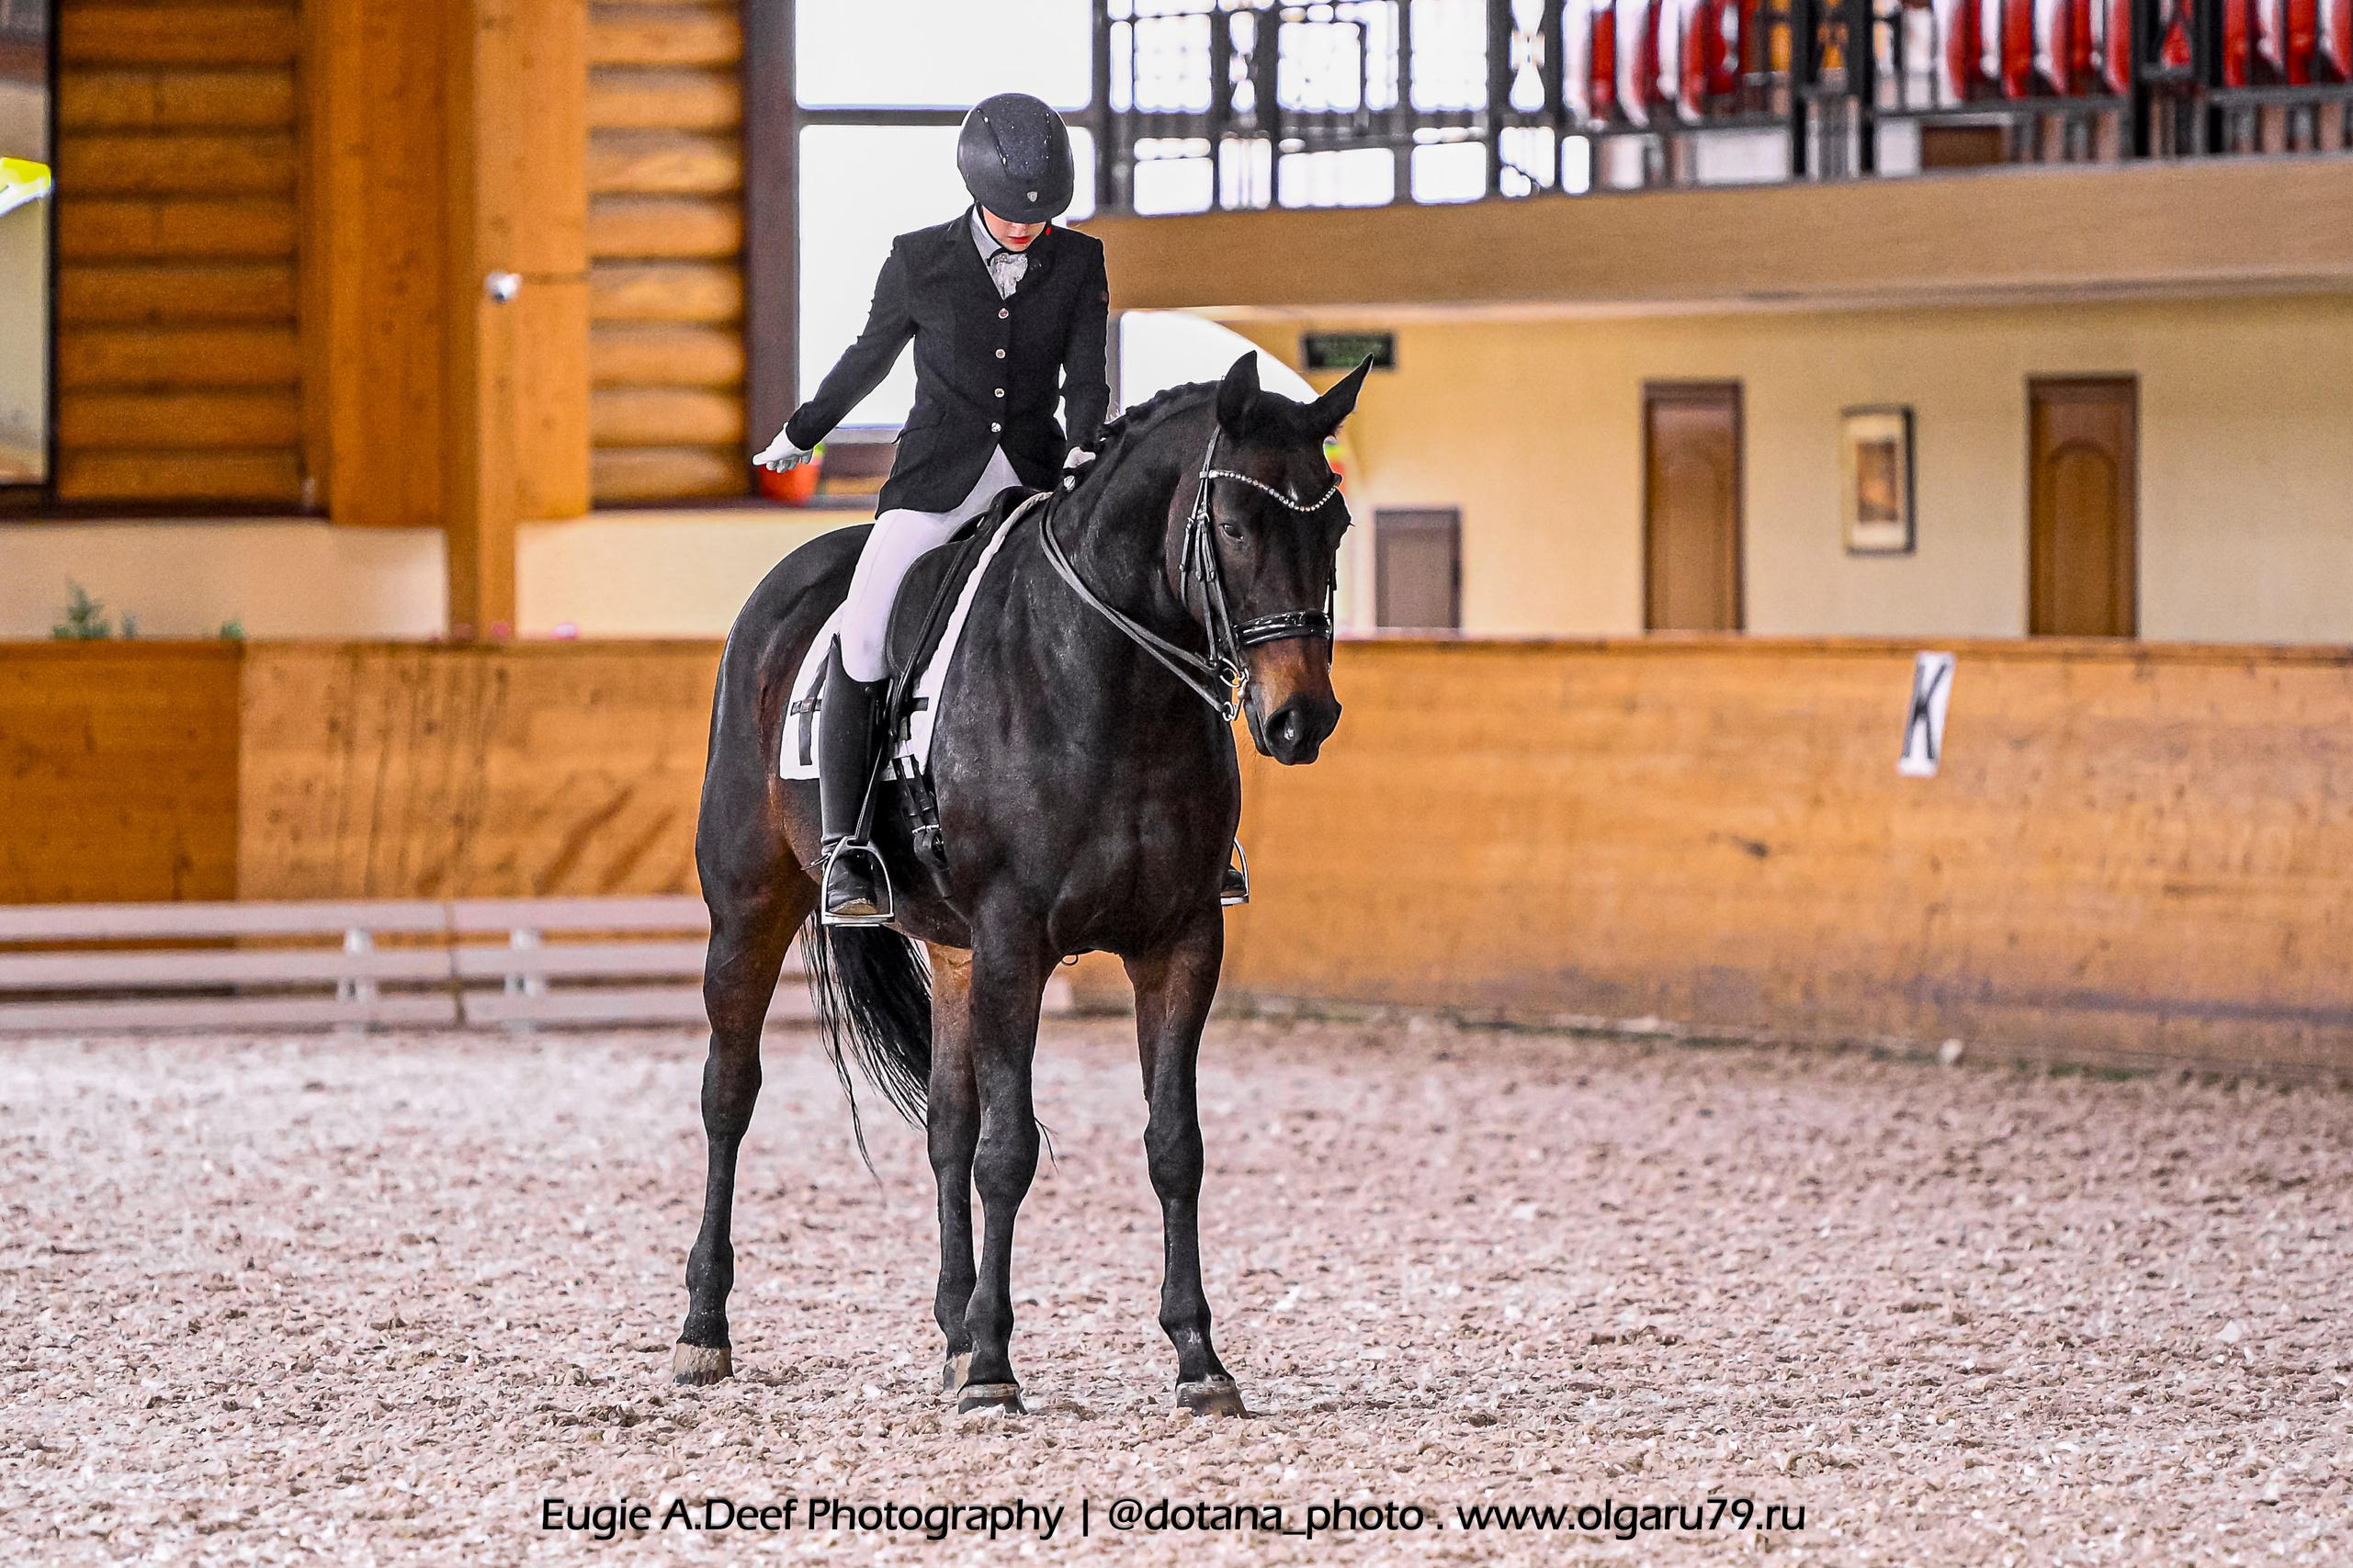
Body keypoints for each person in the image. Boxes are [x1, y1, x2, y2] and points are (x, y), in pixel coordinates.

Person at [756, 93, 1108, 926]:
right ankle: (847, 850)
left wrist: (1088, 443)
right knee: (866, 628)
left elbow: (1085, 373)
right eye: (1012, 217)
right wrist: (803, 431)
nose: (1027, 230)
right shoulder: (919, 260)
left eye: (1042, 218)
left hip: (1033, 477)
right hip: (933, 482)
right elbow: (866, 359)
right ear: (975, 187)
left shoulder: (1080, 262)